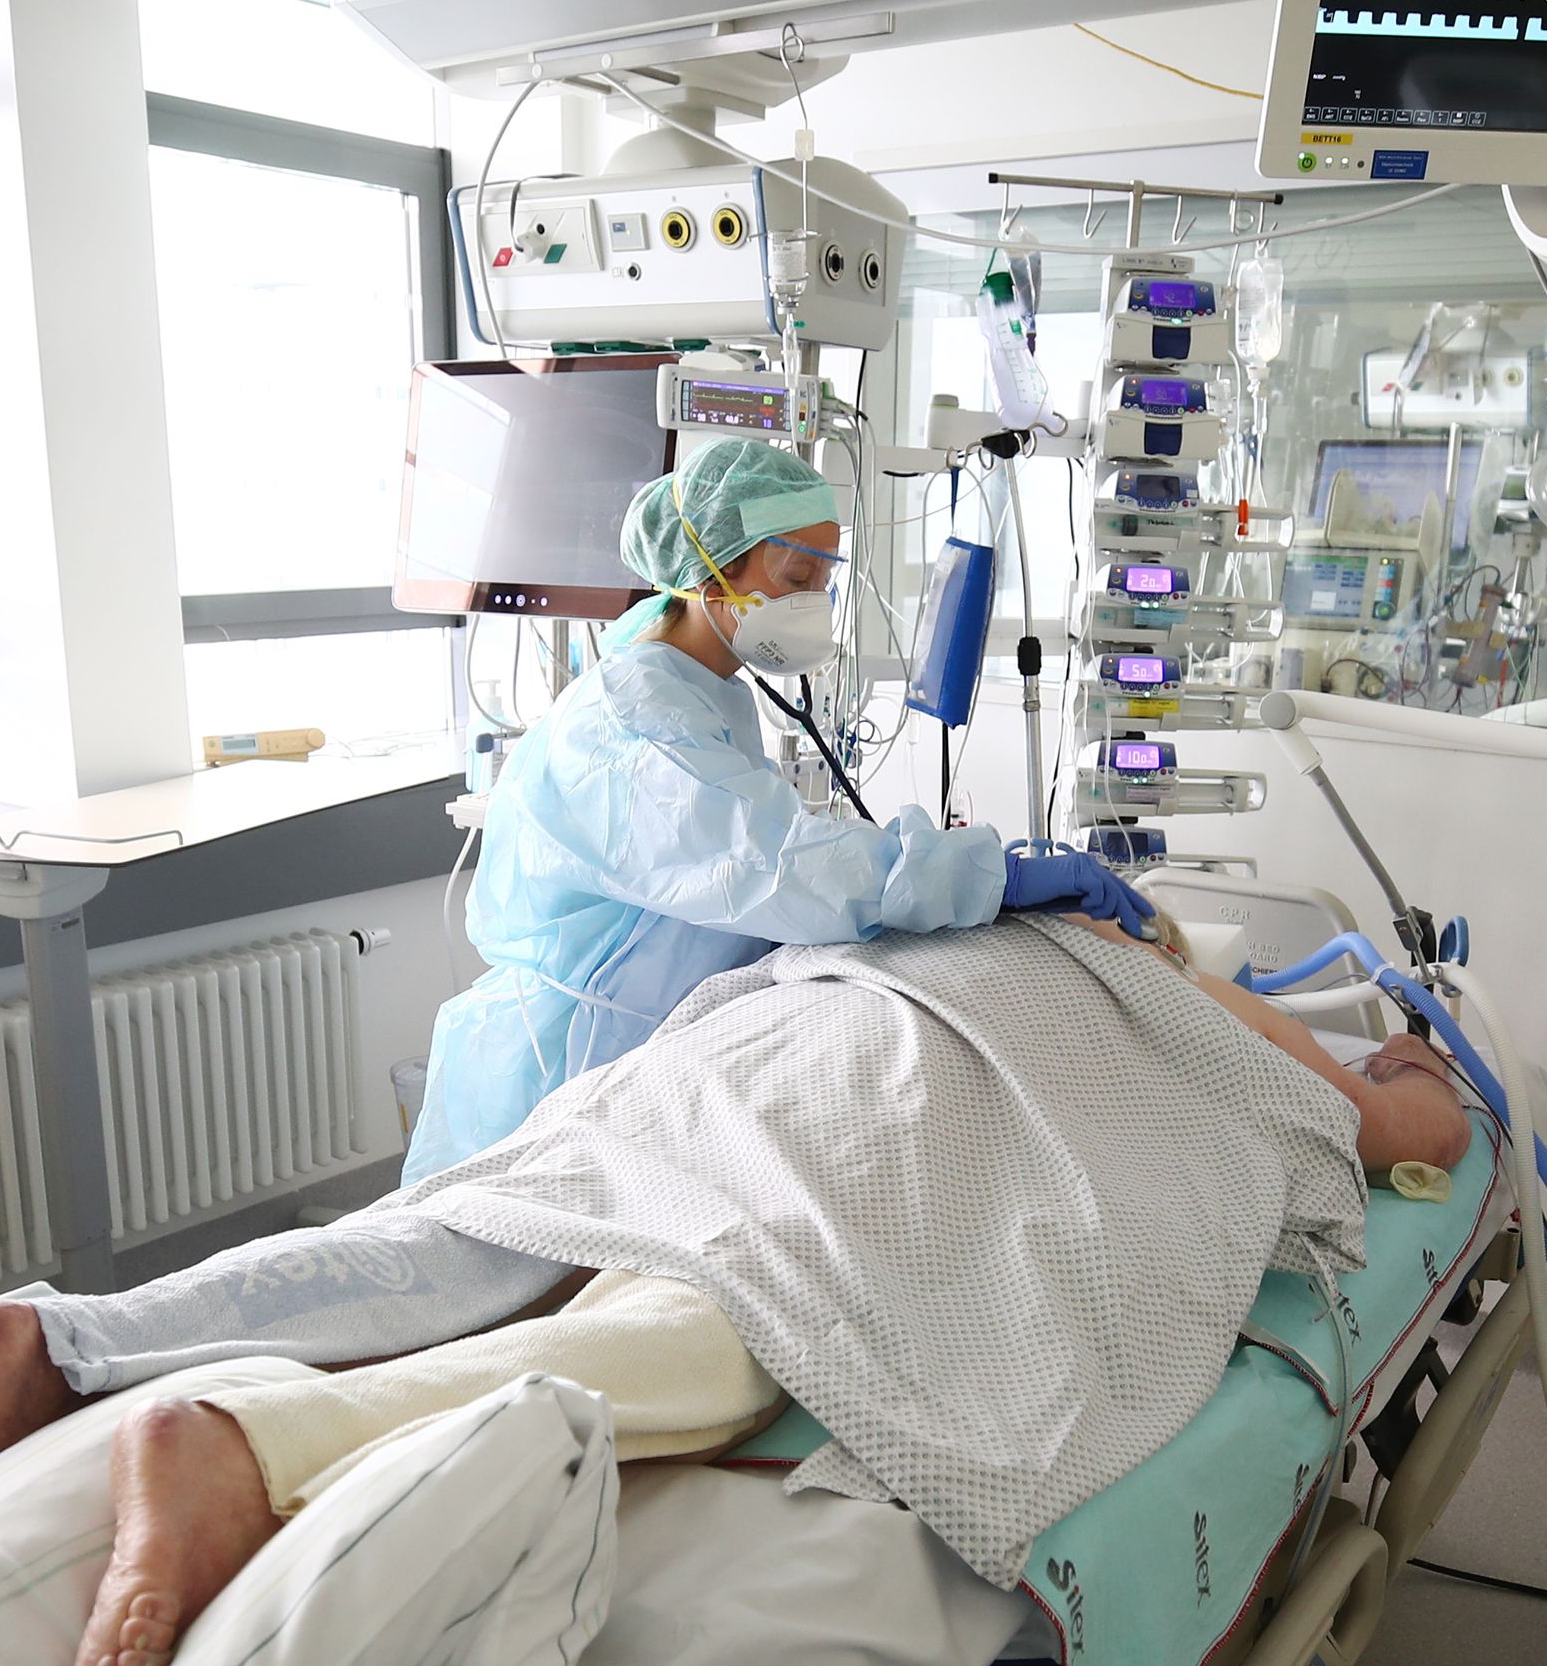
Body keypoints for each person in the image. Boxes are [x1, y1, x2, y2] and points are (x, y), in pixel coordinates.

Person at [0, 922, 1475, 1666]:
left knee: (478, 1227)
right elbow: (1418, 1132)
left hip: (780, 1038)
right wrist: (1409, 1069)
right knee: (736, 1310)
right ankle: (251, 1447)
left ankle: (62, 1338)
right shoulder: (1177, 986)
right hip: (917, 1091)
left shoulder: (984, 921)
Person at [405, 437, 1148, 1177]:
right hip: (570, 1068)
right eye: (796, 577)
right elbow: (776, 866)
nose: (813, 602)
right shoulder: (638, 722)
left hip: (649, 1046)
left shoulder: (706, 688)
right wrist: (987, 877)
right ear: (711, 571)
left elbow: (768, 850)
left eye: (824, 579)